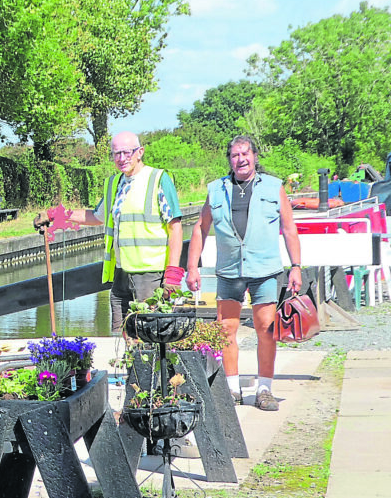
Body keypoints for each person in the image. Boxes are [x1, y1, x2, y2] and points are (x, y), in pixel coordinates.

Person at [185, 135, 303, 411]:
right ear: (229, 160)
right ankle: (231, 389)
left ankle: (264, 389)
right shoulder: (216, 190)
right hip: (229, 271)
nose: (240, 159)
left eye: (245, 154)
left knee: (265, 328)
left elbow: (289, 228)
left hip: (264, 269)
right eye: (235, 155)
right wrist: (192, 267)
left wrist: (296, 266)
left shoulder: (274, 187)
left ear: (254, 156)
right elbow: (200, 229)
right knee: (226, 329)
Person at [34, 131, 184, 333]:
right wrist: (57, 214)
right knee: (126, 332)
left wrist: (172, 274)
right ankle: (131, 365)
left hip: (150, 274)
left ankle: (148, 365)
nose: (121, 159)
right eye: (116, 154)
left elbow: (175, 227)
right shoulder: (114, 183)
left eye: (126, 153)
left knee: (150, 334)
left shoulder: (158, 179)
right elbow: (97, 216)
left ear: (140, 152)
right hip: (121, 272)